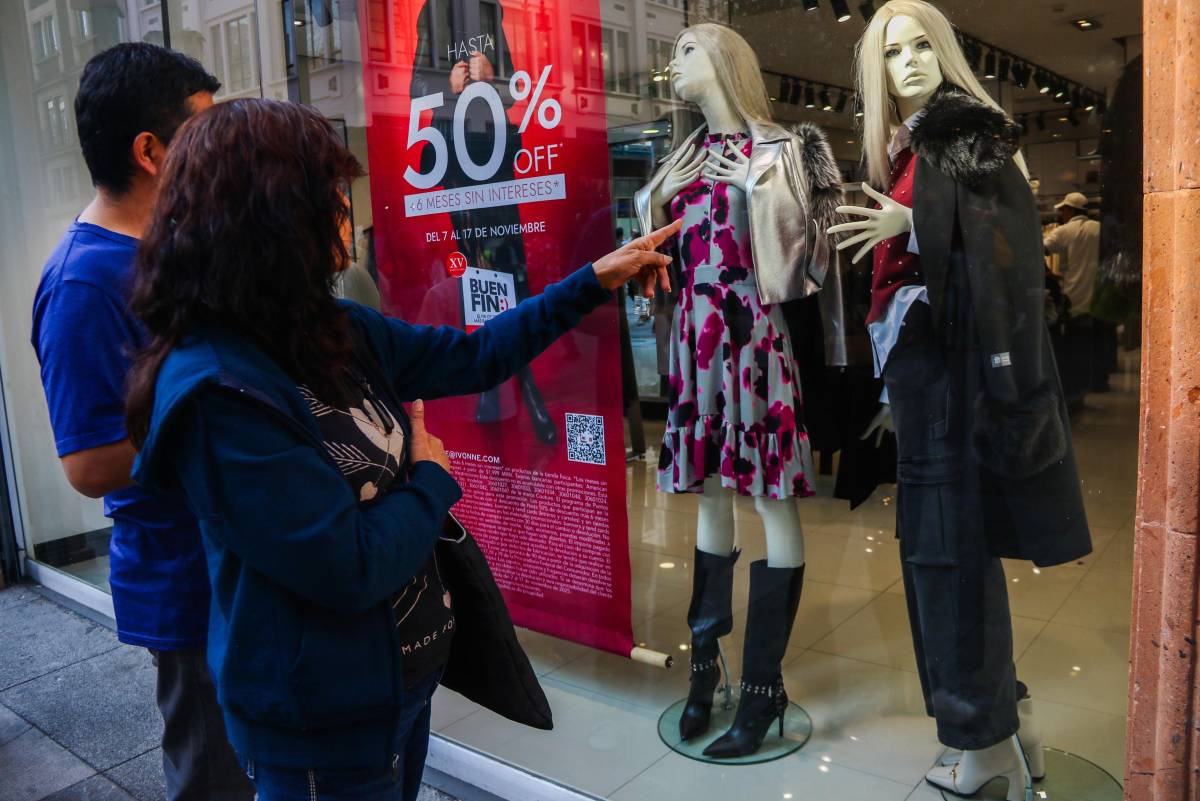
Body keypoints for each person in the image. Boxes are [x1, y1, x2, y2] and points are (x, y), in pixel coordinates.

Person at [124, 98, 679, 801]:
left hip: (394, 691)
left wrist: (593, 280)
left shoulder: (330, 329)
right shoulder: (216, 394)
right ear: (269, 219)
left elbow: (475, 356)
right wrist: (430, 480)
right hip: (321, 727)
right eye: (327, 197)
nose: (344, 213)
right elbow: (347, 564)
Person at [831, 2, 1091, 798]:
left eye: (921, 45)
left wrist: (914, 221)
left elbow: (1009, 246)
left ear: (942, 51)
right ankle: (1010, 725)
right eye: (891, 51)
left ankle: (984, 748)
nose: (908, 61)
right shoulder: (915, 141)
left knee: (945, 553)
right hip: (925, 370)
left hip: (950, 370)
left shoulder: (964, 130)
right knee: (946, 550)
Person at [29, 43, 252, 801]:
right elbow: (88, 464)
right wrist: (219, 417)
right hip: (185, 578)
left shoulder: (173, 243)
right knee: (215, 776)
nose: (217, 152)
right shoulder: (82, 284)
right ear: (150, 152)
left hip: (235, 556)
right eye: (201, 133)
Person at [633, 23, 843, 758]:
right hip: (695, 343)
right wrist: (657, 199)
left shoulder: (780, 150)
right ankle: (705, 672)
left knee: (770, 497)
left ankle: (761, 687)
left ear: (725, 60)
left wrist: (751, 189)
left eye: (686, 49)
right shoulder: (682, 158)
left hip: (753, 337)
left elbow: (815, 261)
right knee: (710, 497)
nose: (673, 62)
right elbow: (646, 257)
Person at [1044, 192, 1111, 392]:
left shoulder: (1064, 231)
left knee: (1076, 345)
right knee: (1099, 344)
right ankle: (1099, 383)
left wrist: (1048, 273)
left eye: (1063, 210)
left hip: (1074, 297)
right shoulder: (1100, 229)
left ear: (1070, 210)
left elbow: (1040, 248)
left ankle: (1079, 385)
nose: (1061, 214)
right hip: (1100, 298)